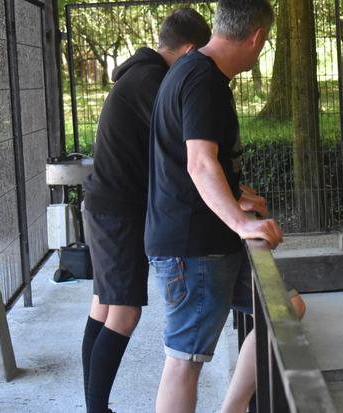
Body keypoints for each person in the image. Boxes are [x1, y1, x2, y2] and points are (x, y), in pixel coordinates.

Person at [144, 1, 279, 412]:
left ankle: (233, 408)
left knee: (283, 311)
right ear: (256, 37)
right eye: (265, 42)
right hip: (194, 249)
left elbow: (200, 166)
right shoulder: (203, 80)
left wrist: (237, 192)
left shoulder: (194, 71)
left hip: (206, 244)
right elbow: (199, 163)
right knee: (184, 361)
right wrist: (242, 222)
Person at [80, 9, 211, 413]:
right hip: (118, 212)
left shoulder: (141, 75)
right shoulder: (152, 82)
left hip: (106, 207)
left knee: (104, 306)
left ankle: (95, 407)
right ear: (189, 50)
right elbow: (180, 145)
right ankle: (97, 409)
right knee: (124, 312)